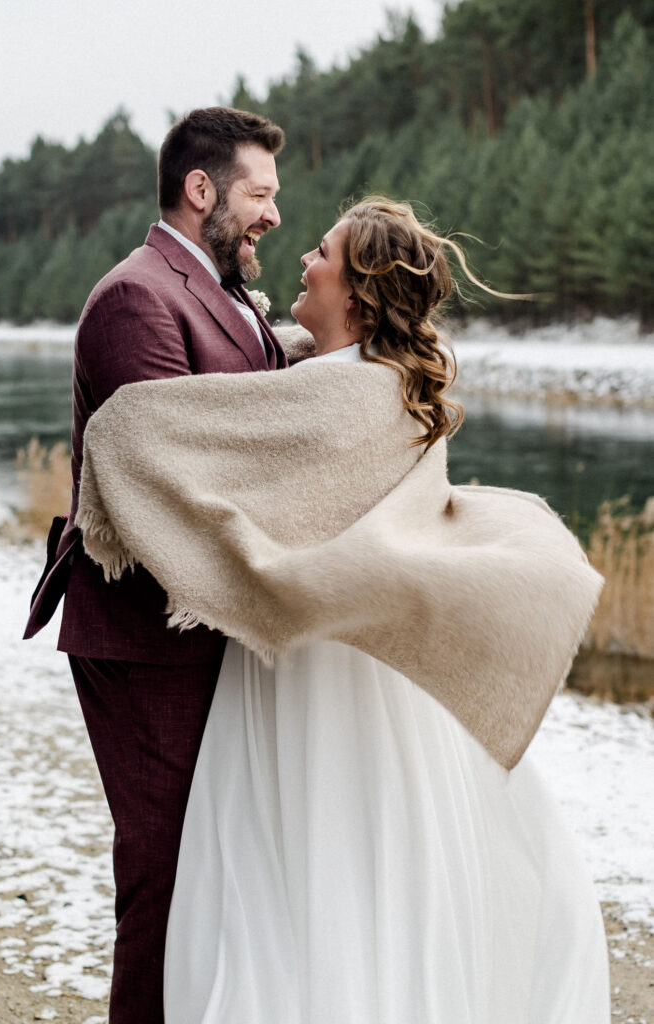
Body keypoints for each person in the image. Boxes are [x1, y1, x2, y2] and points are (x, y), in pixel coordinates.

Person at [76, 198, 611, 1022]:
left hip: (316, 671)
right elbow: (286, 388)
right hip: (374, 662)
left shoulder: (332, 396)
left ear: (357, 295)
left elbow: (139, 428)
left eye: (321, 252)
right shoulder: (381, 382)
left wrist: (111, 429)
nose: (302, 259)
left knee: (300, 868)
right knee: (374, 868)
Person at [23, 107, 287, 1024]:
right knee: (165, 871)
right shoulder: (137, 296)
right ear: (201, 189)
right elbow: (166, 482)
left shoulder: (229, 296)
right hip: (147, 636)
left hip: (209, 628)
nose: (273, 216)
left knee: (218, 861)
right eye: (260, 194)